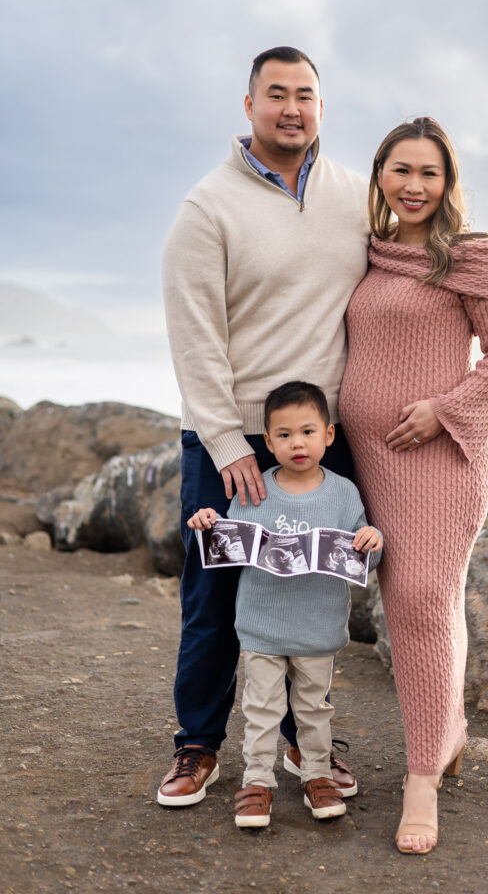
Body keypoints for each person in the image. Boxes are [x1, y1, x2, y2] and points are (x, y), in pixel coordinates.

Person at [159, 46, 369, 807]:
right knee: (215, 599)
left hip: (320, 435)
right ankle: (196, 745)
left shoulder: (354, 196)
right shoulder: (206, 207)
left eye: (305, 94)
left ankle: (295, 739)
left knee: (307, 587)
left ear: (321, 105)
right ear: (247, 105)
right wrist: (222, 444)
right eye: (275, 93)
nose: (291, 107)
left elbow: (409, 263)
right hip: (233, 436)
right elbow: (195, 336)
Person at [339, 117, 488, 854]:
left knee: (419, 596)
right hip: (363, 459)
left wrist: (444, 412)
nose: (414, 186)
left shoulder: (473, 258)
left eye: (430, 173)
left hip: (440, 458)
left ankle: (421, 779)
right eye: (400, 170)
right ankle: (446, 732)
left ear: (448, 183)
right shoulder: (370, 256)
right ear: (379, 175)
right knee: (408, 599)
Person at [187, 382, 382, 828]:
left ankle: (316, 774)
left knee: (314, 708)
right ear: (268, 441)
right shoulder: (253, 492)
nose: (297, 443)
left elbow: (364, 559)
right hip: (261, 625)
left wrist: (373, 542)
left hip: (317, 628)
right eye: (285, 435)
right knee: (262, 708)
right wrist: (207, 524)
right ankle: (257, 781)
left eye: (308, 432)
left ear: (329, 436)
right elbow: (227, 545)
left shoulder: (343, 493)